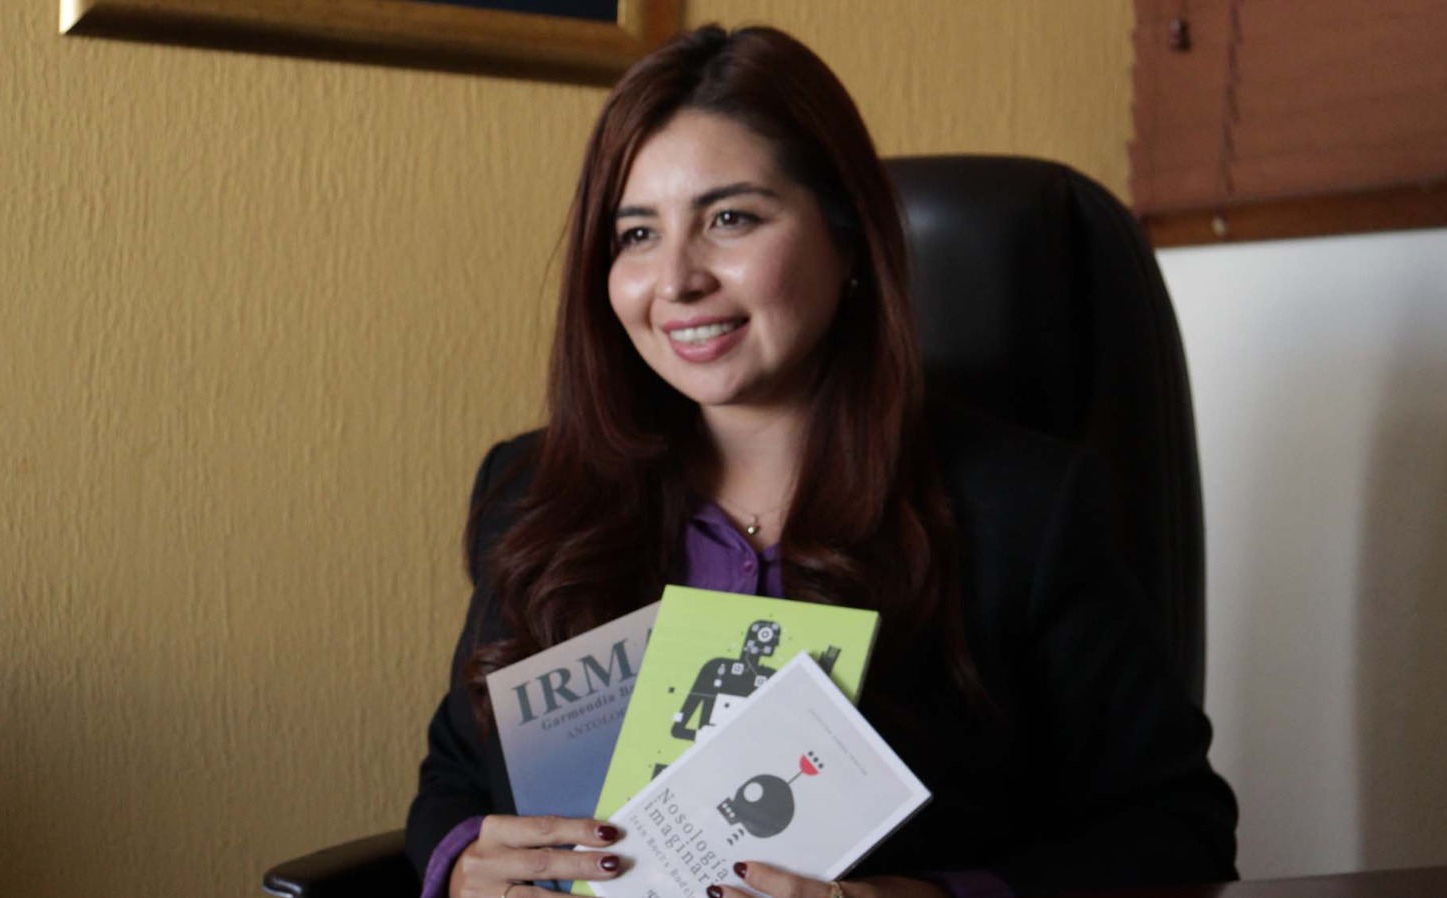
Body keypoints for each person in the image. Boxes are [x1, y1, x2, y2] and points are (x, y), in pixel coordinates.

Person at [406, 23, 1238, 898]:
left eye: (730, 219)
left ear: (848, 239)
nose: (677, 279)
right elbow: (458, 772)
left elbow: (1178, 831)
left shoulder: (1021, 512)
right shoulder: (533, 495)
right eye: (637, 234)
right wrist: (460, 861)